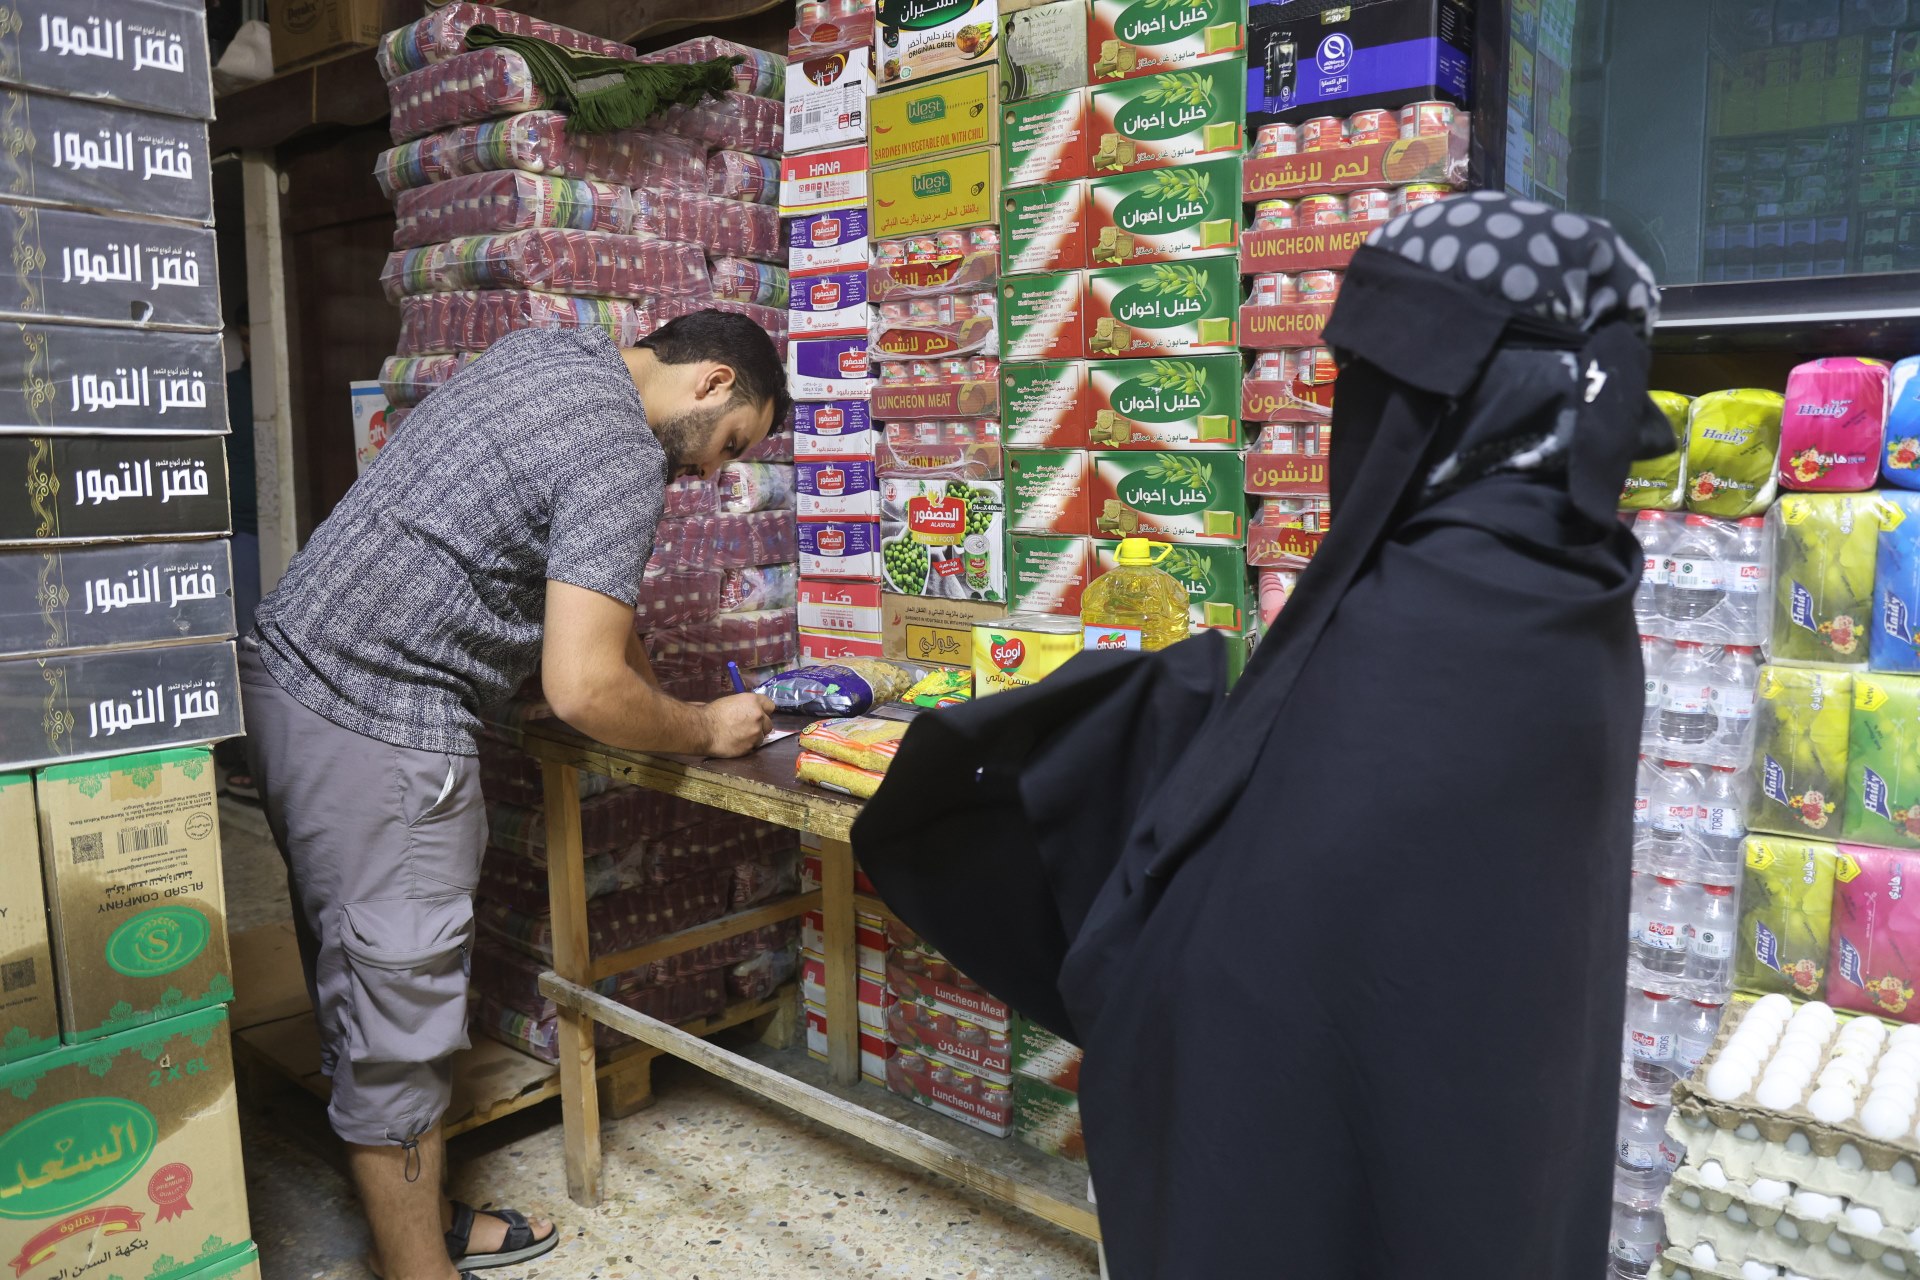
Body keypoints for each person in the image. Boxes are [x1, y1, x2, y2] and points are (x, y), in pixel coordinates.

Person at [854, 195, 1671, 1279]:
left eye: (1373, 387)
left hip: (1310, 1175)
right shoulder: (1568, 590)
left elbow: (1260, 955)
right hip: (1491, 1137)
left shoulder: (1432, 615)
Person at [240, 311, 785, 1280]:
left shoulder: (558, 351)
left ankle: (418, 1221)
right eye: (728, 446)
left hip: (292, 676)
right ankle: (417, 1268)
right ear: (709, 382)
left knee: (358, 975)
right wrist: (702, 727)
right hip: (380, 720)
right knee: (399, 1016)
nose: (707, 476)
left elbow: (569, 591)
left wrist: (648, 688)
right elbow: (581, 685)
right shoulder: (624, 452)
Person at [218, 314, 261, 799]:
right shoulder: (226, 389)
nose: (250, 344)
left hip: (283, 527)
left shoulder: (278, 390)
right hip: (241, 531)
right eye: (243, 336)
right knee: (245, 643)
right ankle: (247, 753)